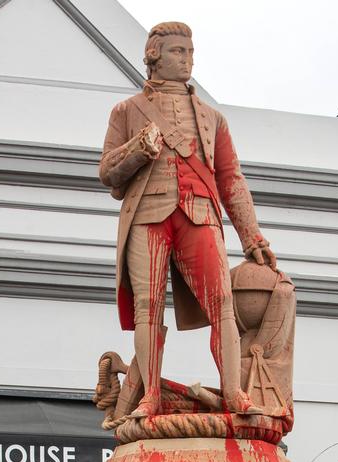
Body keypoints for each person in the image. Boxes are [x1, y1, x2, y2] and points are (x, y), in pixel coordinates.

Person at [99, 21, 276, 417]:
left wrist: (252, 237)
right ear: (154, 56)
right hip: (147, 215)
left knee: (223, 304)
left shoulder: (213, 118)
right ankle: (150, 397)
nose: (187, 59)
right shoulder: (126, 111)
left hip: (199, 212)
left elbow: (231, 179)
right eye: (178, 51)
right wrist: (138, 150)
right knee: (147, 306)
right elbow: (108, 173)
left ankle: (234, 394)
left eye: (190, 52)